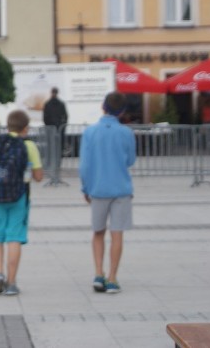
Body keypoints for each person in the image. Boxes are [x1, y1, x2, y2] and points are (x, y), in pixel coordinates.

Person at [0, 109, 44, 296]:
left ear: (7, 125)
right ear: (26, 128)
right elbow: (39, 177)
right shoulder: (29, 146)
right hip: (19, 196)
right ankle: (12, 282)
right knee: (14, 237)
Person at [79, 91, 136, 294]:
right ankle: (112, 277)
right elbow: (130, 160)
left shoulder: (89, 132)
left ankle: (98, 273)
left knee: (98, 232)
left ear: (103, 107)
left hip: (98, 188)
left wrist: (85, 187)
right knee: (117, 233)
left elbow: (84, 165)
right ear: (122, 112)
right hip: (121, 188)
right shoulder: (126, 133)